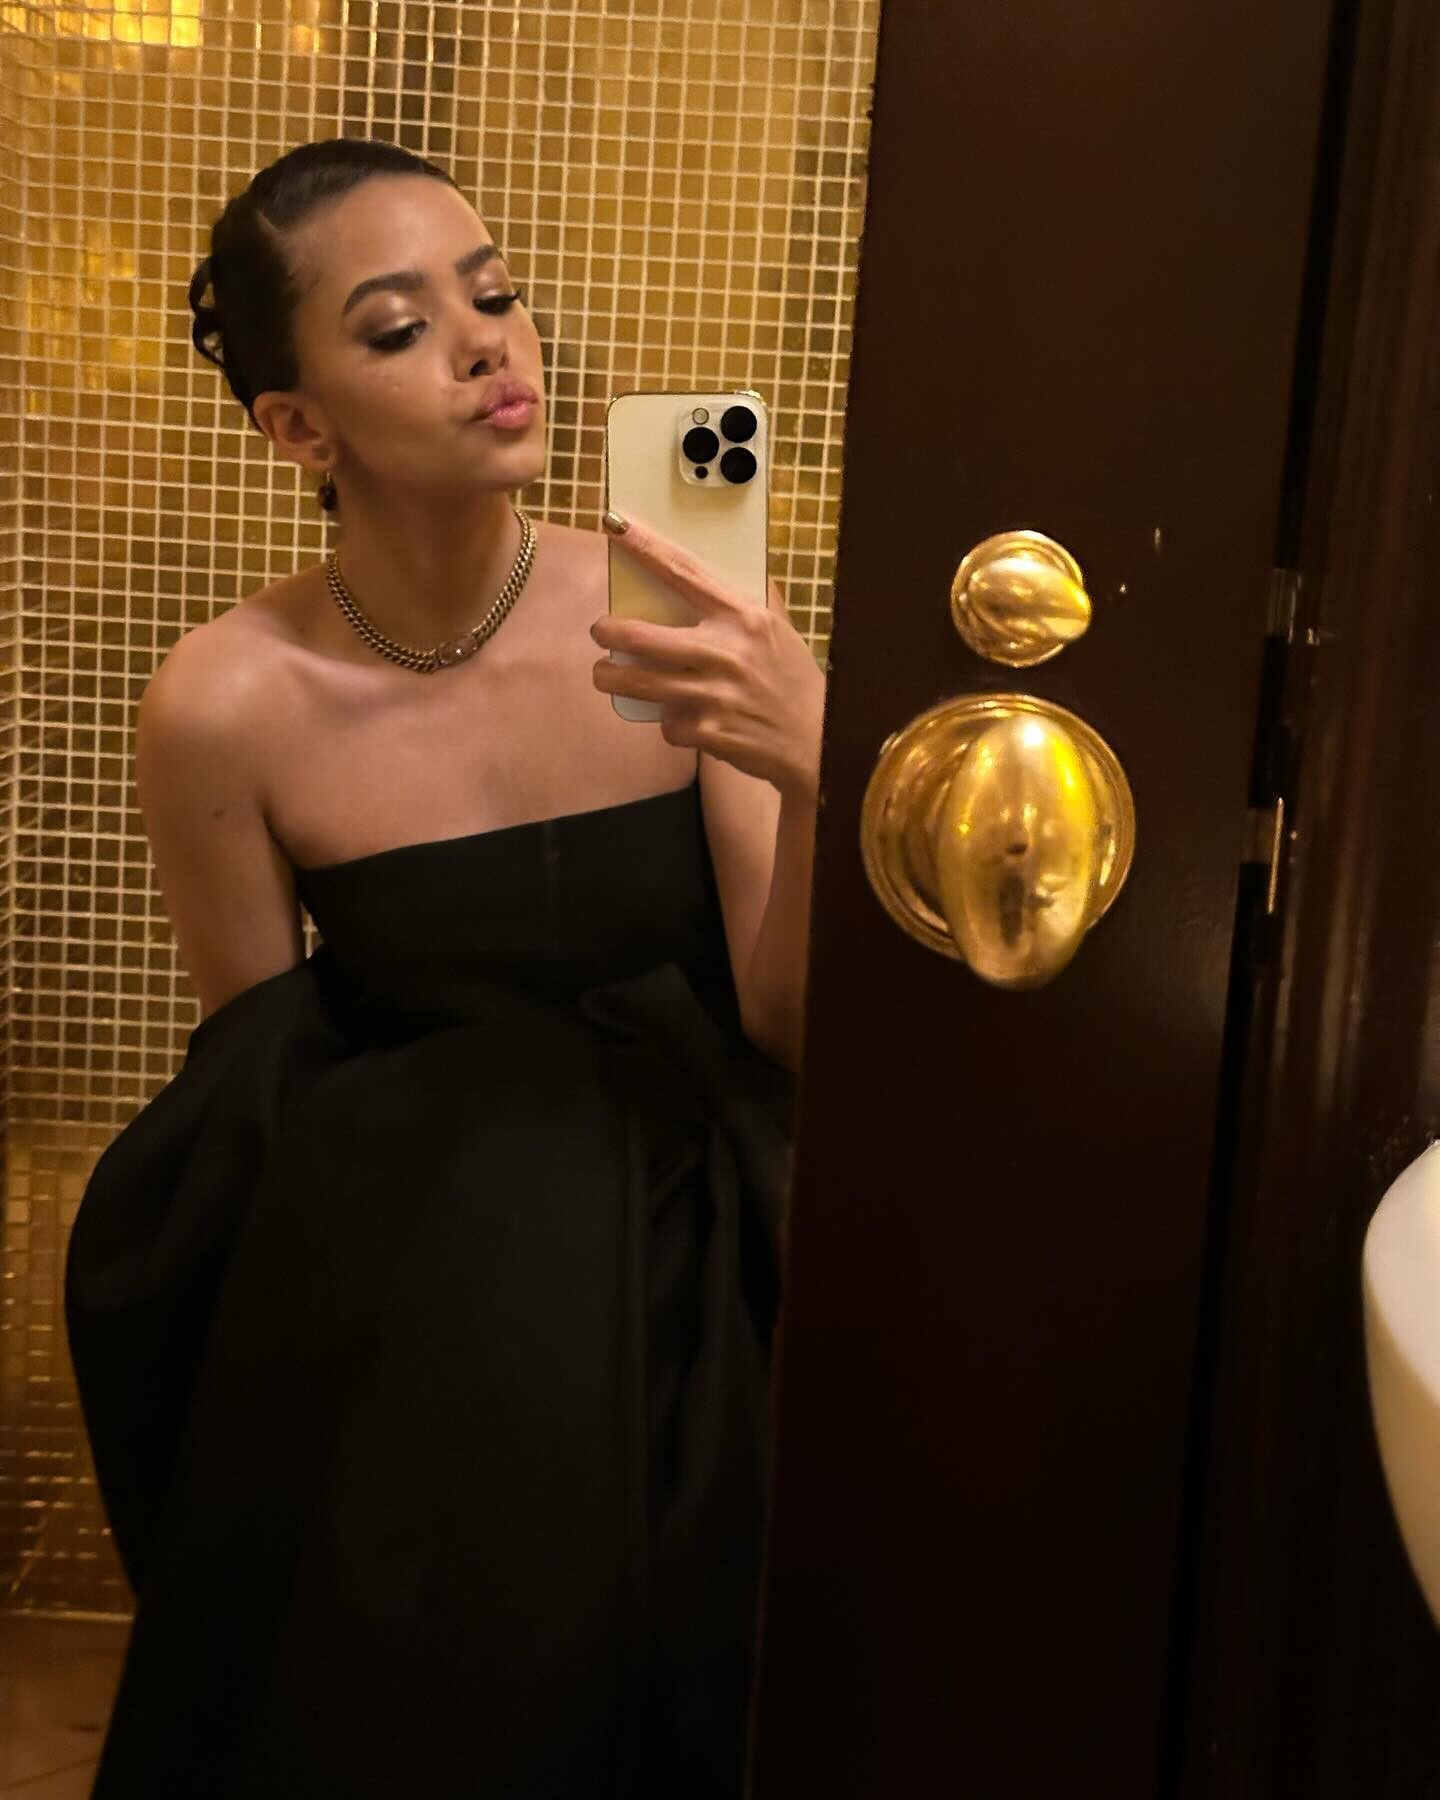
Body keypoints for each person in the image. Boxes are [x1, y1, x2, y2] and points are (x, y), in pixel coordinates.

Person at [63, 137, 825, 1798]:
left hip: (705, 1221)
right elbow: (256, 1095)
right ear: (298, 427)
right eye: (403, 327)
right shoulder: (226, 701)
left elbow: (784, 1017)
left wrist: (816, 760)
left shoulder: (680, 606)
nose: (490, 346)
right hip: (422, 1256)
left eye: (497, 296)